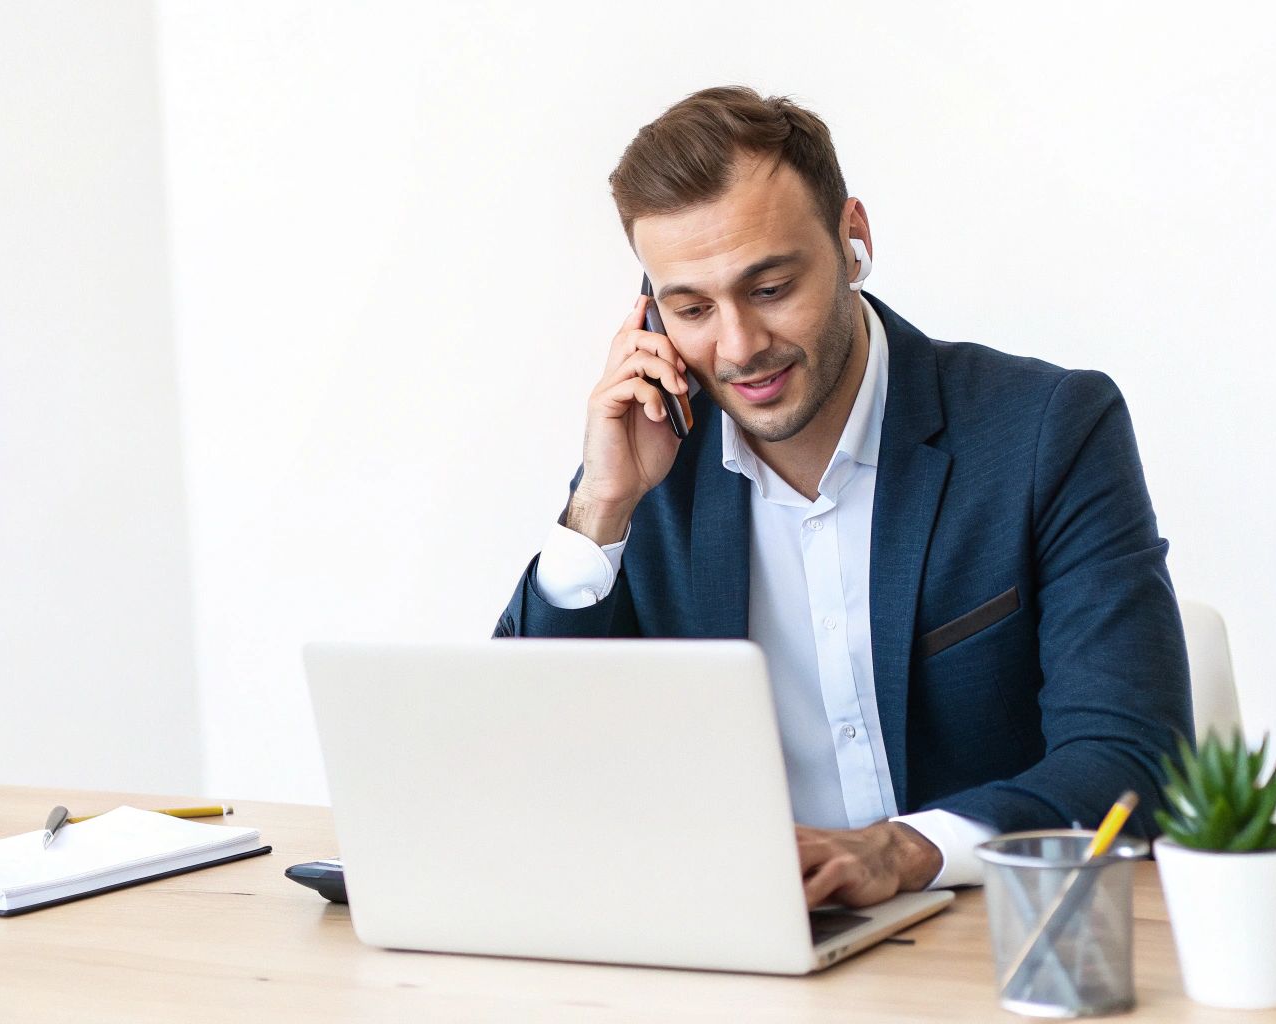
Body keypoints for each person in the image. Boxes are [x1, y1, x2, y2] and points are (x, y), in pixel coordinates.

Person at [492, 85, 1192, 909]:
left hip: (989, 940)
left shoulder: (1046, 431)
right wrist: (600, 508)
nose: (739, 347)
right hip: (744, 949)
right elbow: (523, 765)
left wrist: (900, 851)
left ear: (852, 239)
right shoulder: (651, 469)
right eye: (692, 308)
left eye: (770, 288)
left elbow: (1131, 761)